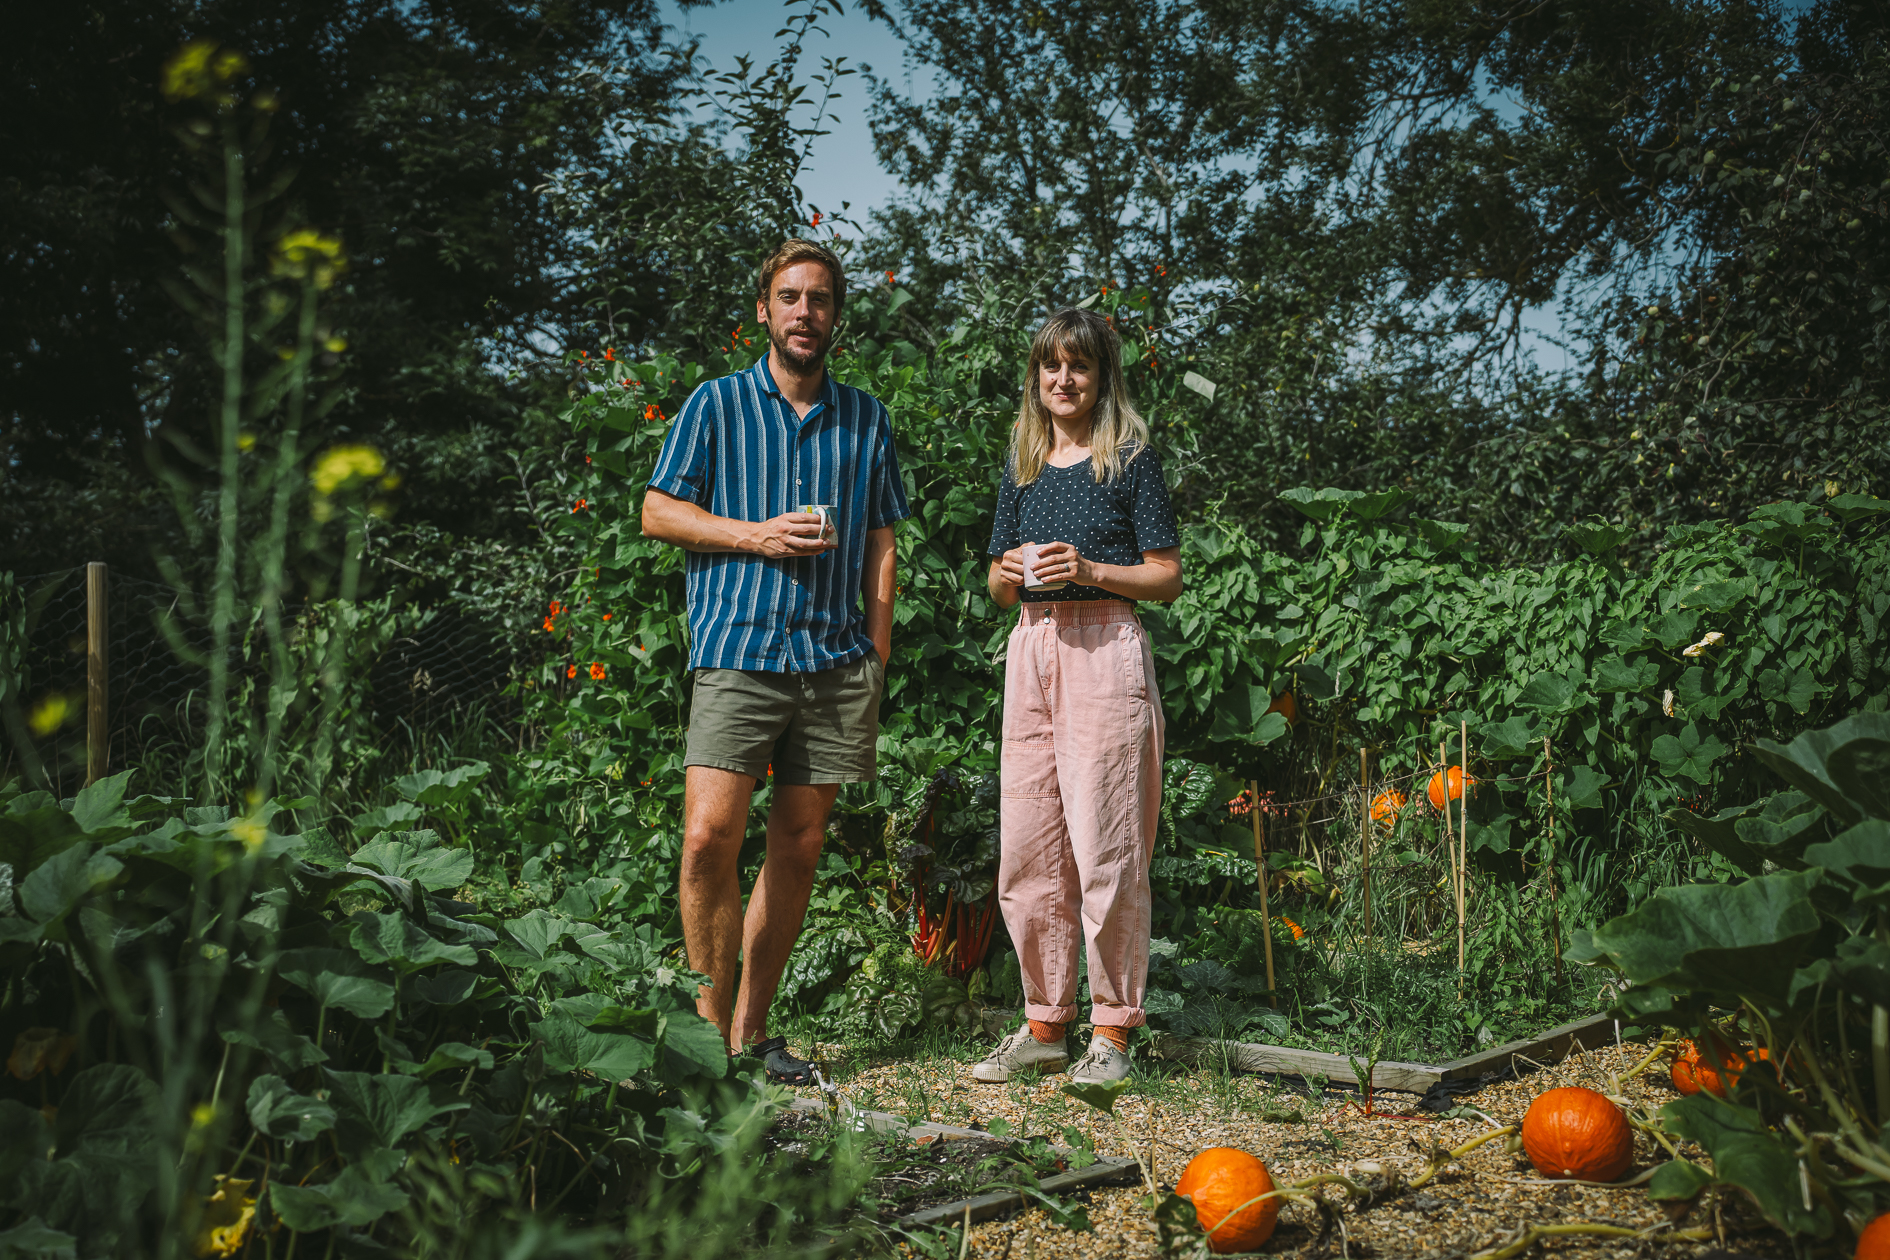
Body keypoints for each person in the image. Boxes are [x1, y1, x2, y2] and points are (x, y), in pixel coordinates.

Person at [641, 239, 909, 1084]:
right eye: (790, 297)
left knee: (798, 843)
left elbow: (881, 540)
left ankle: (753, 1036)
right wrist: (754, 535)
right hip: (739, 649)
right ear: (764, 310)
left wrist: (876, 654)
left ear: (836, 317)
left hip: (834, 661)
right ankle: (706, 1041)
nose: (805, 312)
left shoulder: (866, 418)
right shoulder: (716, 404)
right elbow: (658, 512)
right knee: (706, 839)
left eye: (819, 299)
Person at [972, 307, 1183, 1086]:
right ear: (1036, 377)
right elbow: (996, 582)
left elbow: (1167, 576)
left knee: (1107, 846)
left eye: (1079, 366)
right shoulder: (1023, 463)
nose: (1063, 380)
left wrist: (1091, 570)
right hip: (1031, 647)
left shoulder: (1129, 460)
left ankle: (1113, 1033)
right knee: (1029, 847)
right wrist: (1007, 574)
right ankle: (1044, 1025)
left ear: (1101, 378)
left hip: (1103, 645)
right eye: (1051, 366)